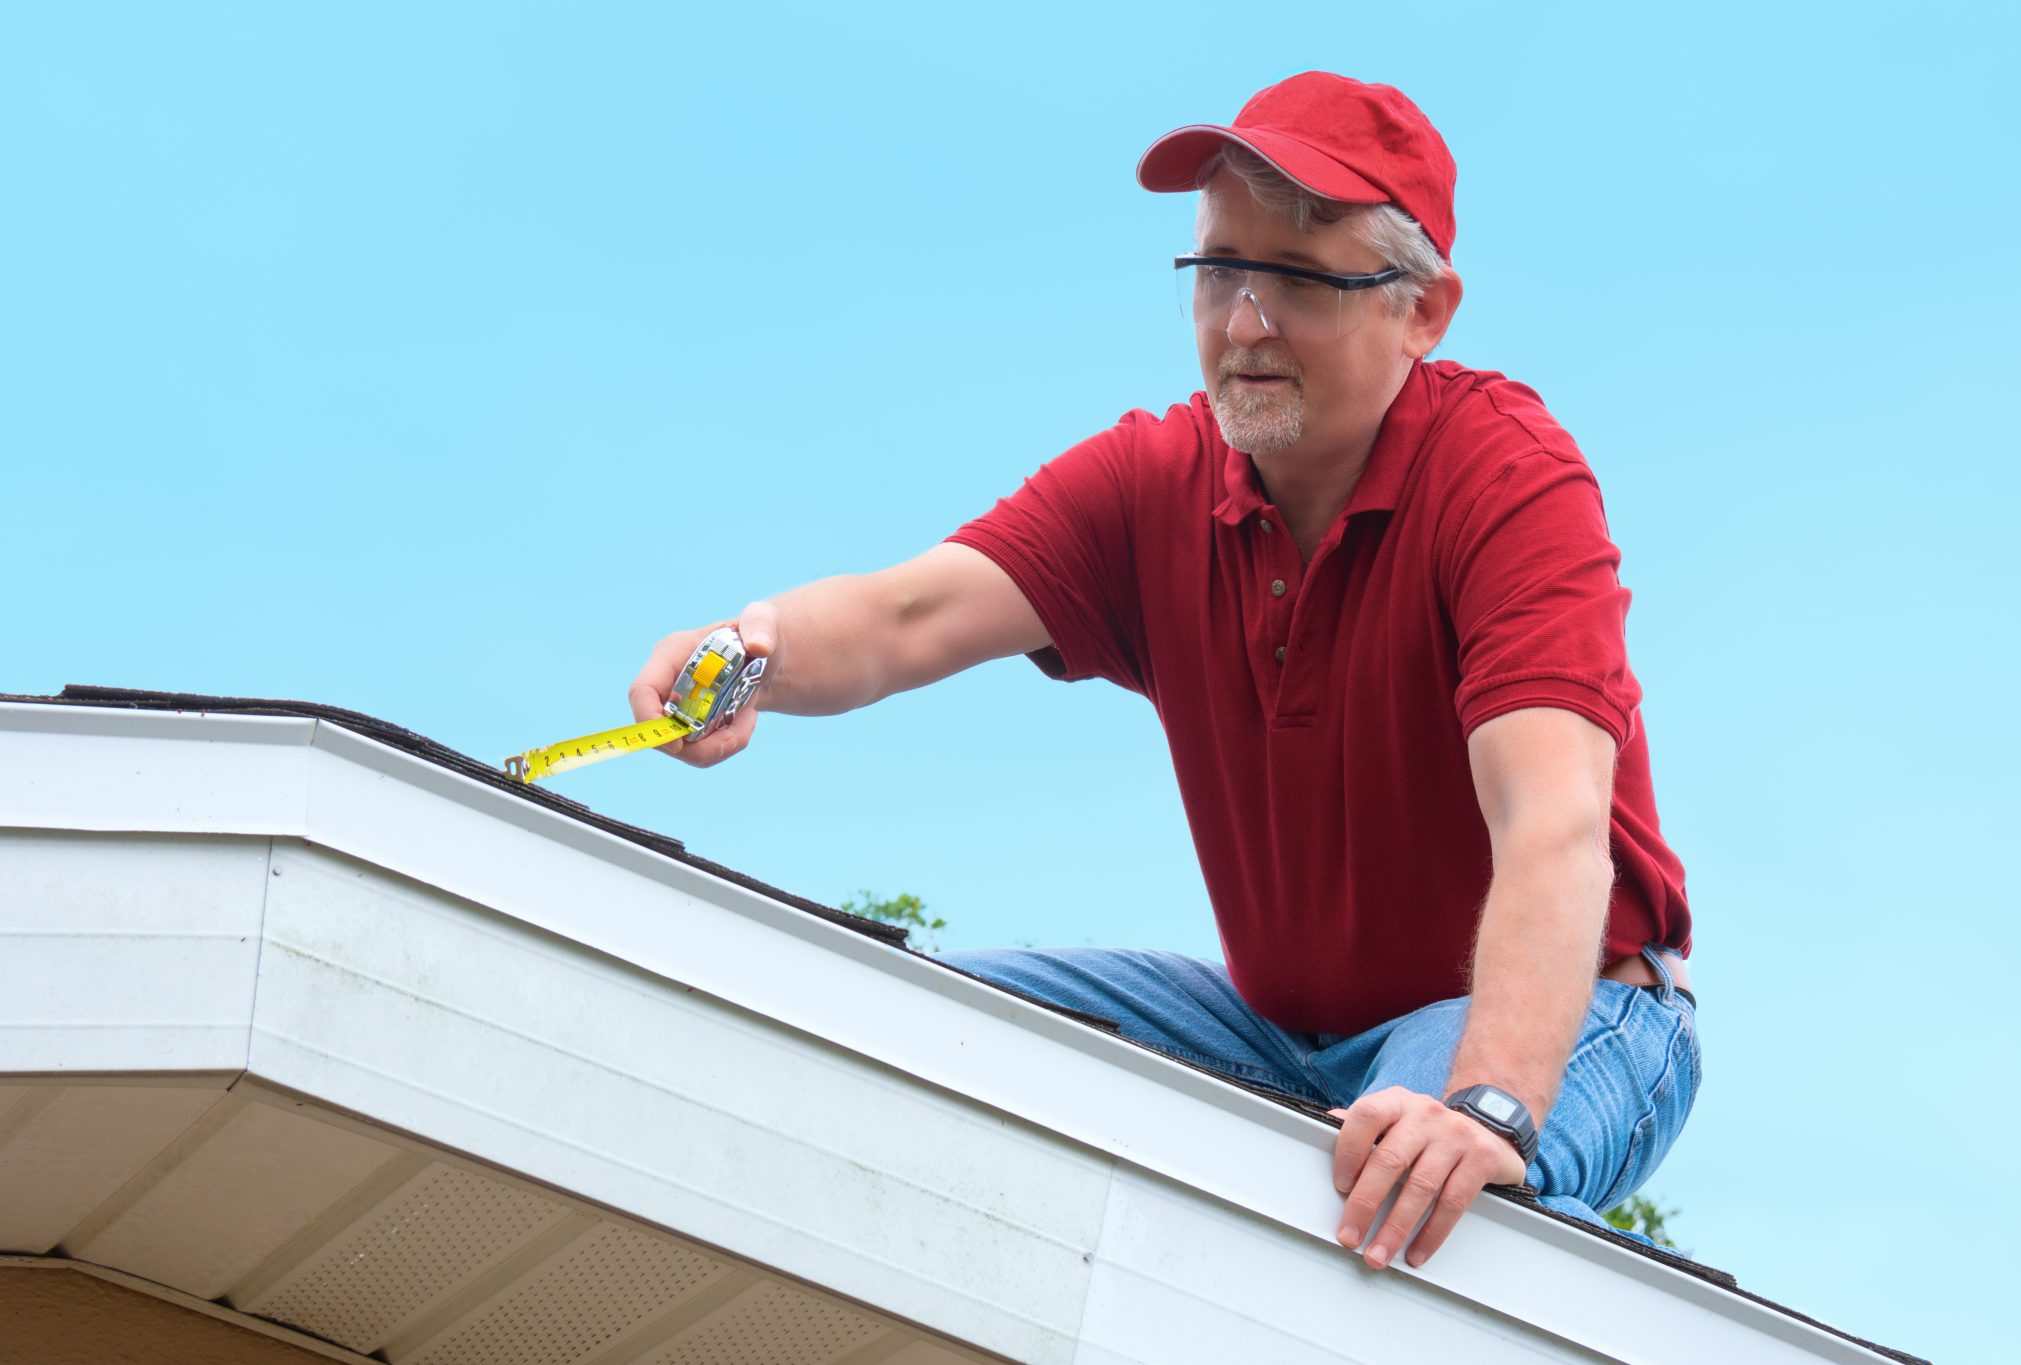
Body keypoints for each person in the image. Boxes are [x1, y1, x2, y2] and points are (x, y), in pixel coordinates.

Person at [630, 72, 1698, 1269]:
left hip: (1580, 1018)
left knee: (1404, 1175)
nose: (1243, 321)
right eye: (1216, 271)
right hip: (1277, 1030)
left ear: (1422, 311)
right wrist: (747, 652)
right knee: (918, 1041)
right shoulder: (1152, 484)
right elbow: (901, 616)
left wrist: (1488, 1102)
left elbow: (1551, 821)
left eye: (1296, 277)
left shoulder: (1505, 481)